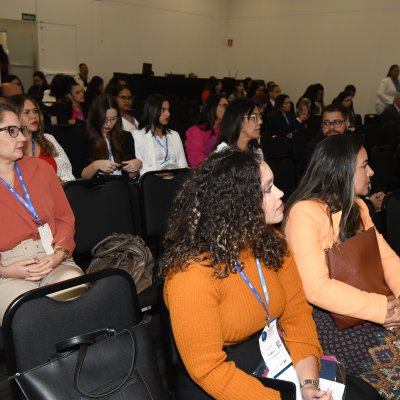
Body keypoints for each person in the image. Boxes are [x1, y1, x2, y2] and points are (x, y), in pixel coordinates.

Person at [161, 147, 330, 400]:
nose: (281, 193)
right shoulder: (189, 274)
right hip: (217, 380)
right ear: (239, 204)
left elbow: (297, 315)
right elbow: (207, 369)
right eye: (268, 189)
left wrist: (308, 385)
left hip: (268, 355)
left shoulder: (271, 242)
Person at [284, 133, 400, 399]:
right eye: (364, 165)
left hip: (369, 303)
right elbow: (316, 289)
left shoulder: (358, 206)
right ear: (343, 170)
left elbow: (387, 259)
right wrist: (384, 310)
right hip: (328, 321)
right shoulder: (304, 213)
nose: (371, 171)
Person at [0, 103, 84, 323]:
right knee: (29, 313)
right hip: (7, 270)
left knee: (74, 285)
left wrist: (59, 254)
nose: (22, 138)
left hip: (52, 257)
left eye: (21, 130)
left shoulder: (41, 169)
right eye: (11, 131)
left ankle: (81, 357)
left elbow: (64, 218)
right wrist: (6, 271)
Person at [8, 94, 75, 182]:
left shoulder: (48, 139)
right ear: (13, 116)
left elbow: (68, 175)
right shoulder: (7, 147)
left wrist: (61, 182)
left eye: (35, 111)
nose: (34, 116)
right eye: (26, 112)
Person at [81, 94, 141, 180]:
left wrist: (135, 167)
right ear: (95, 116)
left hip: (121, 187)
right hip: (95, 190)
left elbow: (129, 177)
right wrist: (96, 165)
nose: (109, 124)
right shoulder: (83, 138)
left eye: (113, 119)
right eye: (104, 119)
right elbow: (81, 176)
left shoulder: (125, 137)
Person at [133, 94, 188, 175]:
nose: (168, 114)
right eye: (163, 110)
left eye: (168, 110)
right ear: (152, 110)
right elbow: (140, 169)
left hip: (175, 180)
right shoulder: (138, 135)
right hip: (152, 181)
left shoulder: (174, 135)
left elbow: (183, 165)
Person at [185, 94, 228, 167]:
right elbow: (196, 161)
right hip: (207, 174)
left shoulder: (227, 129)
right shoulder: (196, 131)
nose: (227, 109)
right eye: (224, 106)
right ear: (212, 107)